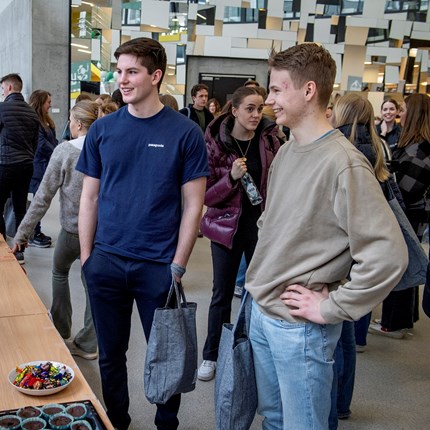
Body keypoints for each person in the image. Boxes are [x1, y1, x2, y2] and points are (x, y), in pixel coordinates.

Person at [245, 43, 408, 430]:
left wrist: (332, 307)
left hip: (300, 327)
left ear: (308, 91)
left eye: (277, 89)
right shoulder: (287, 150)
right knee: (274, 419)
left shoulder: (344, 163)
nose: (269, 100)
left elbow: (388, 255)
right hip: (263, 311)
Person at [76, 37, 208, 430]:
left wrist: (179, 265)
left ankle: (167, 424)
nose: (123, 80)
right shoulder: (103, 130)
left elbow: (193, 206)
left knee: (165, 355)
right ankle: (117, 421)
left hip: (159, 268)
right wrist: (87, 258)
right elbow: (90, 197)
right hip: (107, 262)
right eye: (119, 71)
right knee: (110, 356)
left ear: (156, 75)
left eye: (132, 71)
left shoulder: (185, 133)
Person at [198, 85, 281, 381]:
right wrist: (231, 178)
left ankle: (249, 350)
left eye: (260, 109)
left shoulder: (270, 139)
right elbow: (206, 195)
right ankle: (211, 354)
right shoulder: (216, 142)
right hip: (225, 229)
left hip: (260, 228)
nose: (257, 114)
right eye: (250, 108)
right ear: (234, 110)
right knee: (221, 294)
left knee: (257, 293)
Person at [11, 100, 100, 359]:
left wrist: (22, 234)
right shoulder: (106, 147)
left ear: (79, 124)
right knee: (91, 283)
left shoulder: (65, 151)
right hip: (100, 233)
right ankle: (88, 343)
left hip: (72, 230)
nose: (69, 124)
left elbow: (42, 197)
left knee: (60, 271)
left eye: (71, 119)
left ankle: (61, 328)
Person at [328, 92, 391, 427]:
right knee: (349, 334)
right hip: (364, 250)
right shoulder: (377, 147)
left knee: (338, 333)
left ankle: (337, 403)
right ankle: (343, 403)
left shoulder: (350, 153)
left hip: (348, 251)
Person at [369, 93, 430, 338]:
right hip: (414, 213)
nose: (398, 113)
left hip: (410, 214)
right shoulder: (416, 144)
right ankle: (401, 319)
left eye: (403, 109)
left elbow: (407, 188)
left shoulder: (419, 148)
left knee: (402, 262)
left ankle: (393, 322)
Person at [0, 73, 40, 264]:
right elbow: (35, 142)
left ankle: (1, 247)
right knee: (19, 208)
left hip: (5, 165)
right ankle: (19, 251)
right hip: (26, 166)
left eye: (2, 89)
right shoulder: (31, 112)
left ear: (8, 88)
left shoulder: (2, 109)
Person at [28, 89, 59, 248]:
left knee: (39, 201)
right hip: (37, 167)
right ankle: (33, 234)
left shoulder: (45, 120)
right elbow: (41, 145)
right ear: (41, 103)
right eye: (48, 102)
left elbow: (52, 141)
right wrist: (57, 151)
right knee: (37, 202)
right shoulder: (34, 120)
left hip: (45, 166)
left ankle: (35, 231)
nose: (50, 105)